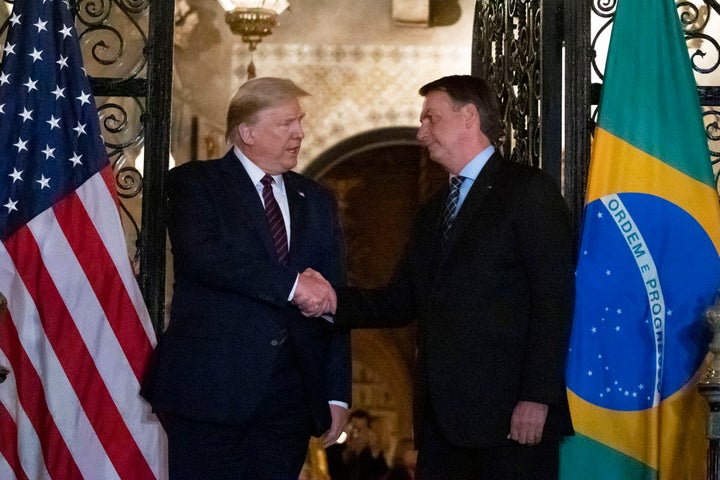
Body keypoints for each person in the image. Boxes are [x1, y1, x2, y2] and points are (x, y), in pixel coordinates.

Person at [299, 75, 575, 479]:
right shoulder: (433, 212)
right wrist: (331, 300)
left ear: (468, 117)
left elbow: (554, 299)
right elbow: (400, 300)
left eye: (431, 118)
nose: (420, 131)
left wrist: (537, 396)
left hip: (512, 421)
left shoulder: (527, 191)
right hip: (441, 427)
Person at [142, 77, 351, 479]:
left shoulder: (318, 199)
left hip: (289, 402)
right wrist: (292, 285)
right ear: (247, 132)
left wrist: (337, 393)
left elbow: (332, 298)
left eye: (300, 121)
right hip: (209, 391)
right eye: (286, 123)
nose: (300, 133)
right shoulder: (195, 184)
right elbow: (205, 257)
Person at [325, 409, 389, 480]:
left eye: (361, 429)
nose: (356, 434)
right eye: (354, 428)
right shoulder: (334, 451)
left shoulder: (372, 454)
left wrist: (374, 450)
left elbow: (382, 474)